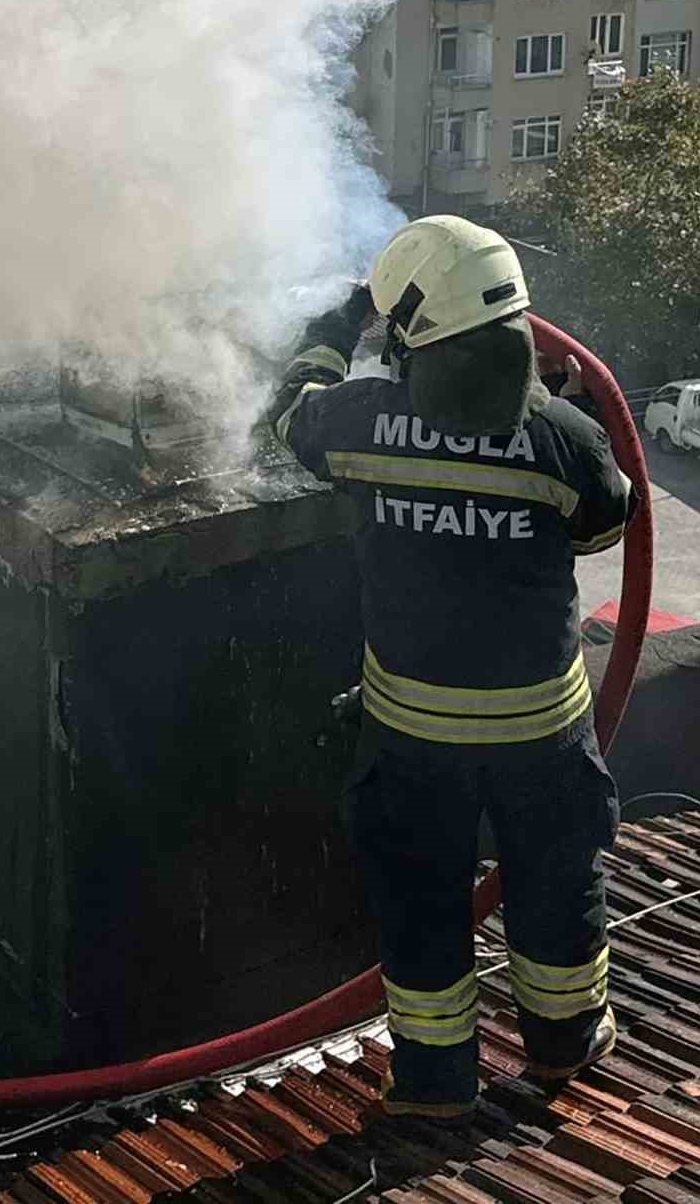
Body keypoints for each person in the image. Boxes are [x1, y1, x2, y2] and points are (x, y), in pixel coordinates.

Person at [266, 216, 636, 1119]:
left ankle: (436, 1083)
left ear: (406, 335)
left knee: (423, 902)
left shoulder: (360, 422)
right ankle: (562, 1045)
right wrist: (564, 408)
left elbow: (289, 417)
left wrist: (335, 327)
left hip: (412, 738)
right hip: (542, 736)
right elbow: (606, 524)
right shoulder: (566, 439)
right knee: (555, 885)